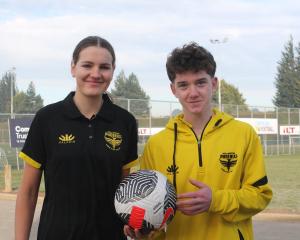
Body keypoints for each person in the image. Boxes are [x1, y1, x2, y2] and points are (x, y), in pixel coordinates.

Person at [125, 42, 272, 240]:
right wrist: (145, 231)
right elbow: (153, 207)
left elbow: (260, 195)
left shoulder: (243, 134)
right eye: (183, 85)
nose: (193, 92)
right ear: (173, 89)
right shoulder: (157, 145)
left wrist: (215, 200)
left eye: (200, 82)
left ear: (214, 83)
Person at [15, 36, 138, 240]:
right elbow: (28, 192)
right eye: (87, 65)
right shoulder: (47, 118)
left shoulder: (125, 122)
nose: (96, 74)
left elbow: (124, 192)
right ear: (73, 68)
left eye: (104, 67)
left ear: (112, 71)